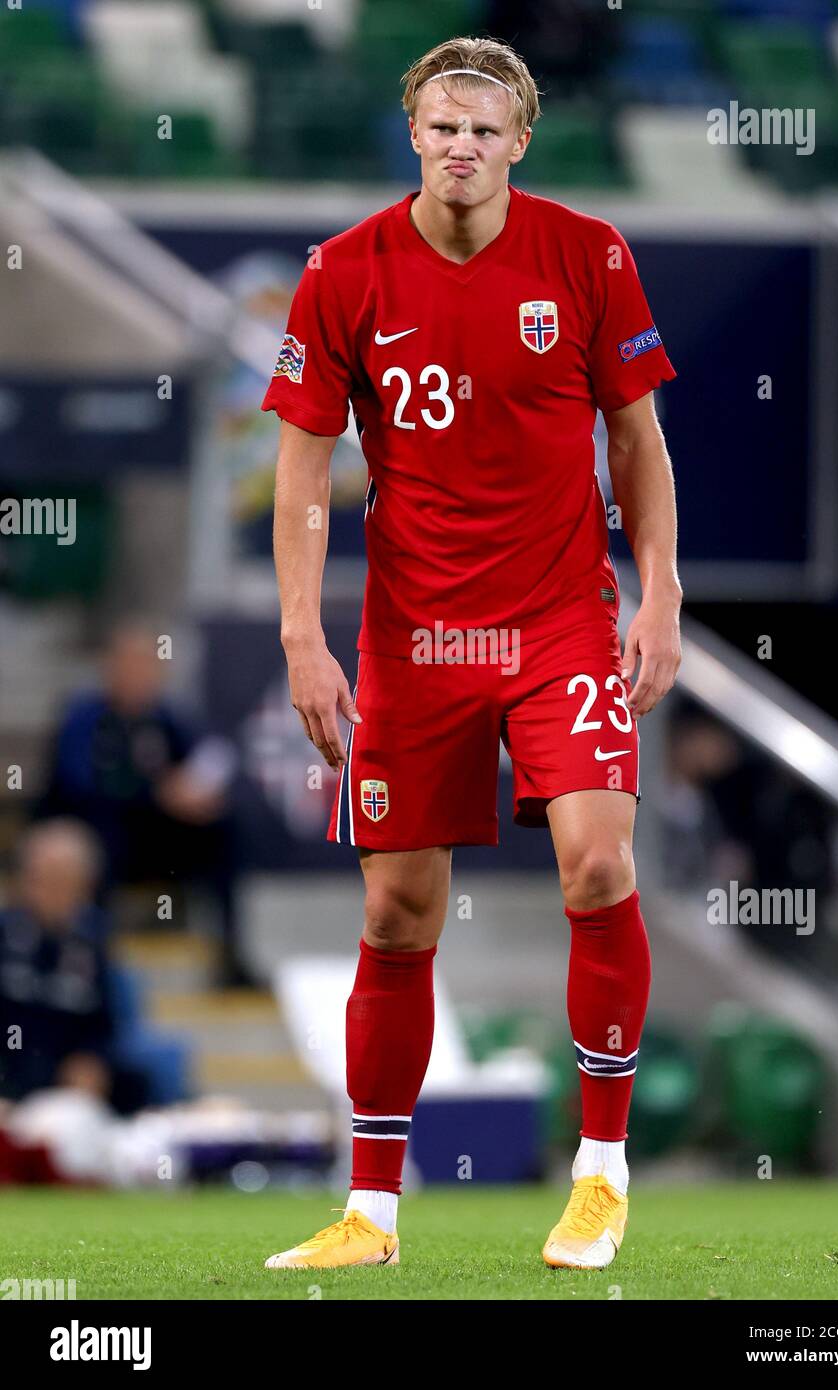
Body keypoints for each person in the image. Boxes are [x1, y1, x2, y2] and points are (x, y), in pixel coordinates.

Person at [263, 36, 681, 1271]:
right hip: (414, 637)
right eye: (443, 126)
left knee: (598, 863)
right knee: (397, 913)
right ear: (413, 132)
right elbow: (301, 470)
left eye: (485, 131)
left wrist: (655, 591)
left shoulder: (588, 251)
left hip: (557, 621)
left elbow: (637, 438)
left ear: (520, 142)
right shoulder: (342, 274)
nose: (462, 147)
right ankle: (371, 1213)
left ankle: (600, 1173)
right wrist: (302, 632)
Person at [37, 621, 250, 988]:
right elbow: (78, 785)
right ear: (112, 669)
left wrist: (198, 795)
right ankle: (93, 966)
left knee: (223, 831)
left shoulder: (166, 717)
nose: (140, 676)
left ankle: (230, 956)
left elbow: (200, 763)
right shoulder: (85, 717)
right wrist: (155, 792)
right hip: (99, 835)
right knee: (97, 839)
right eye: (131, 666)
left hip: (155, 841)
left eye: (148, 667)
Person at [0, 819, 146, 1113]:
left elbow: (104, 1023)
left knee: (132, 1082)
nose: (52, 892)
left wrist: (93, 1059)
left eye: (64, 881)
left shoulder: (93, 940)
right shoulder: (5, 934)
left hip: (68, 1079)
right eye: (43, 879)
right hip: (11, 1070)